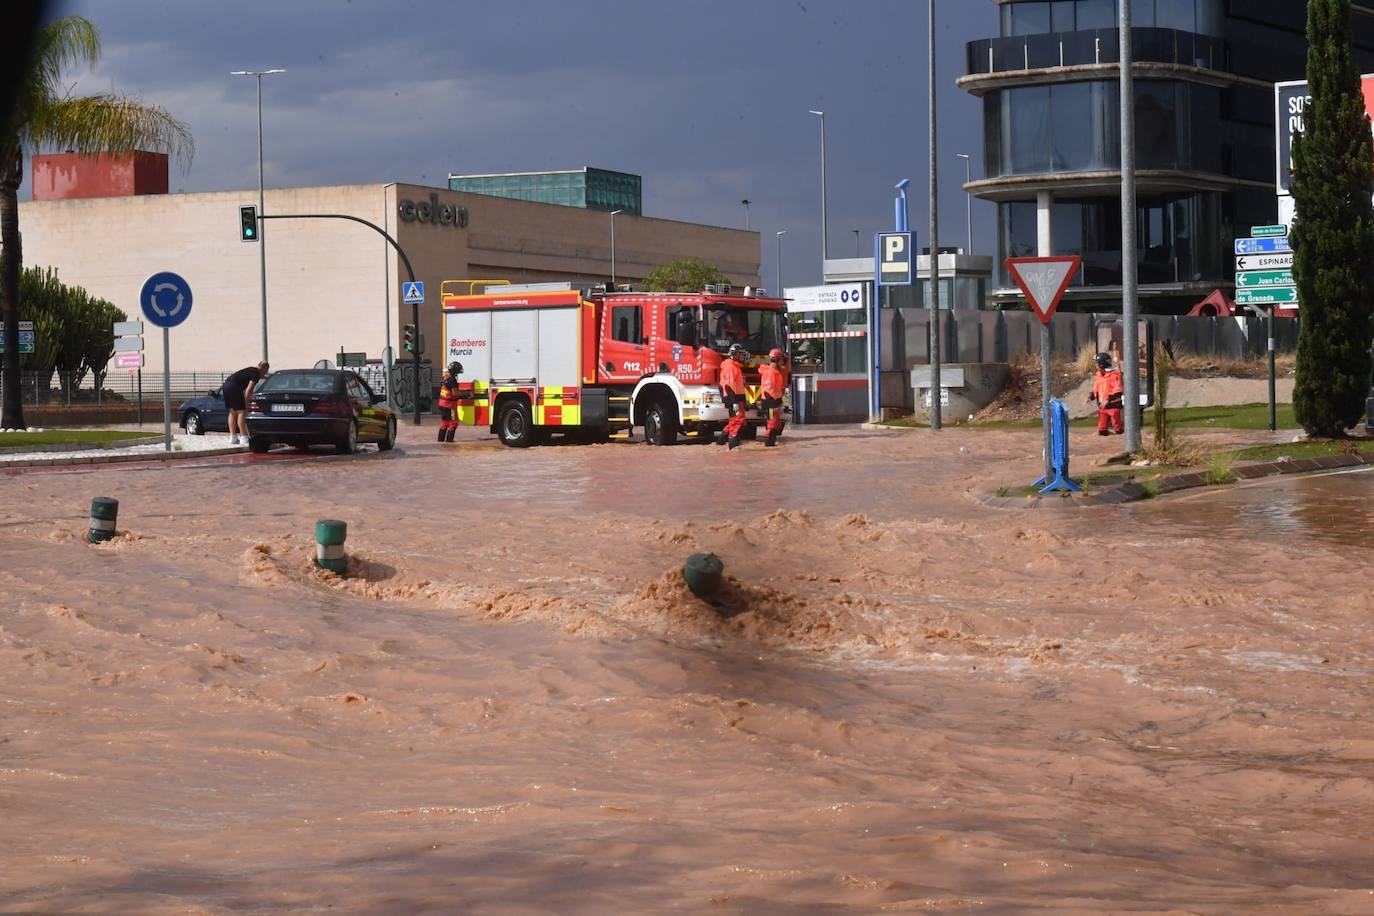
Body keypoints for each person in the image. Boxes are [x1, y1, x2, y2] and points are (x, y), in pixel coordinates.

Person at [222, 361, 268, 446]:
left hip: (226, 385)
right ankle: (243, 437)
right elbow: (249, 390)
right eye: (266, 370)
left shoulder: (252, 370)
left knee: (232, 412)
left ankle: (233, 437)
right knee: (241, 412)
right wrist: (246, 403)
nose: (266, 373)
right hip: (234, 387)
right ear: (264, 368)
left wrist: (267, 378)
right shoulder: (256, 374)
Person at [715, 343, 749, 450]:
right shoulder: (730, 367)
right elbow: (729, 386)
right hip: (734, 399)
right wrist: (734, 402)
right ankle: (733, 445)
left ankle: (721, 441)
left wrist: (744, 401)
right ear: (734, 354)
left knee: (734, 420)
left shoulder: (734, 366)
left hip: (736, 399)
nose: (742, 357)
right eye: (740, 354)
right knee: (738, 420)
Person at [1088, 351, 1124, 436]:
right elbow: (1096, 391)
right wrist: (1090, 397)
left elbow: (1117, 392)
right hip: (1103, 407)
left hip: (1114, 406)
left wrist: (1108, 400)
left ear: (1102, 364)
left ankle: (1123, 436)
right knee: (1102, 429)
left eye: (1097, 363)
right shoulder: (1099, 376)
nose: (1095, 365)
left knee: (1118, 429)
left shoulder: (1114, 376)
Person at [758, 347, 787, 447]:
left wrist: (779, 402)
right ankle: (768, 445)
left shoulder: (774, 372)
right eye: (781, 359)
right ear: (777, 359)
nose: (783, 361)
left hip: (774, 401)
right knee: (772, 424)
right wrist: (773, 404)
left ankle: (771, 445)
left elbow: (776, 389)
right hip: (771, 402)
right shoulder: (770, 373)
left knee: (775, 423)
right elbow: (768, 389)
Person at [436, 361, 463, 443]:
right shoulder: (452, 380)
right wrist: (466, 393)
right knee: (453, 423)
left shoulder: (446, 378)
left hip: (442, 405)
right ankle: (449, 442)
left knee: (444, 423)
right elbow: (455, 393)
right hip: (450, 406)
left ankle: (440, 442)